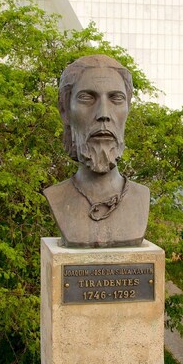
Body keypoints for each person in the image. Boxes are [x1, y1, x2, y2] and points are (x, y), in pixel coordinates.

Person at [43, 55, 150, 248]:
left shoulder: (141, 198)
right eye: (87, 98)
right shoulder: (57, 197)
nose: (103, 114)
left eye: (116, 99)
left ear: (128, 109)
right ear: (65, 111)